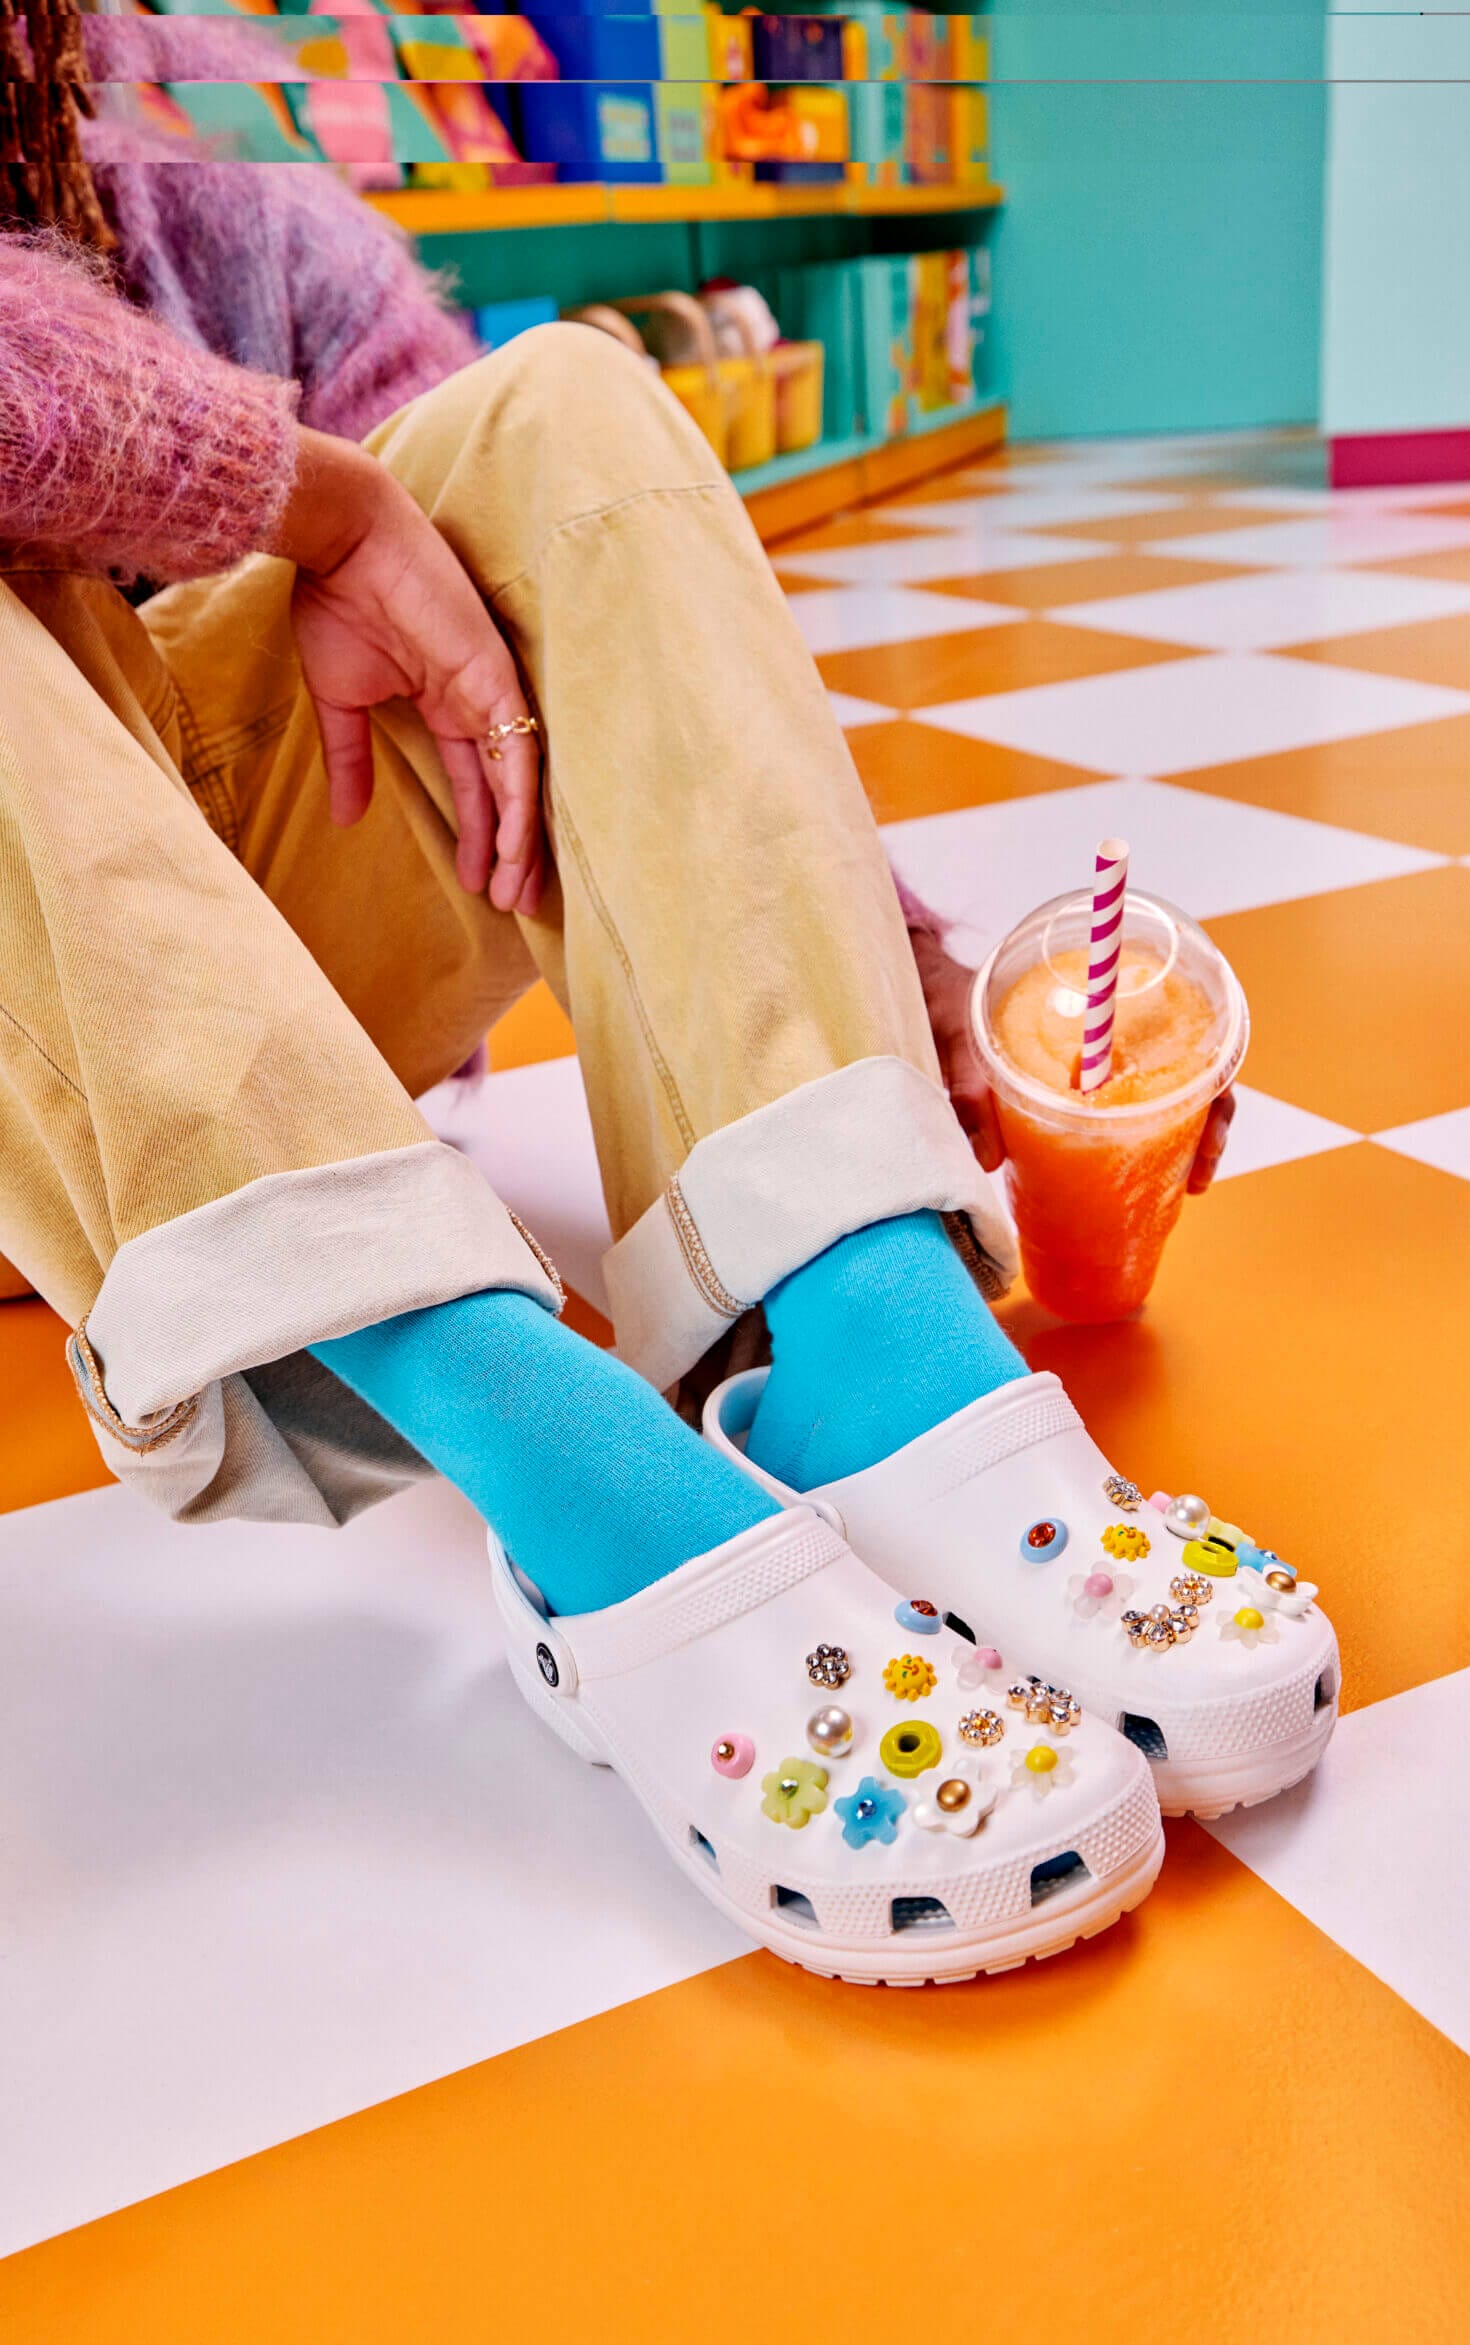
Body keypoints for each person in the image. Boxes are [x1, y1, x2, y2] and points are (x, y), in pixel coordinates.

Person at [0, 11, 1309, 1985]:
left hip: (272, 1003)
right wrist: (313, 501)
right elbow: (327, 512)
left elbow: (578, 634)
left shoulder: (239, 238)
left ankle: (869, 1349)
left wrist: (902, 992)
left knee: (560, 415)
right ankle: (562, 1466)